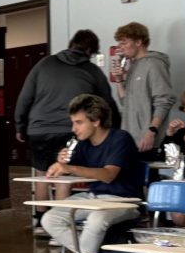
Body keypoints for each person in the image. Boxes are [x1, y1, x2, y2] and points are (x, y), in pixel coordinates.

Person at [40, 94, 144, 253]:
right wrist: (61, 163)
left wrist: (71, 168)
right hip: (93, 198)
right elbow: (69, 169)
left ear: (96, 121)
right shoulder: (82, 144)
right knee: (50, 219)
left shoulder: (120, 138)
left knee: (97, 219)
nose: (74, 129)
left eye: (79, 122)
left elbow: (108, 175)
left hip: (125, 200)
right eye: (73, 123)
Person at [14, 29, 120, 204]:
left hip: (38, 130)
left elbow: (25, 97)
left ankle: (41, 220)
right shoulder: (91, 70)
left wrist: (20, 126)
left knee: (42, 174)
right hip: (70, 129)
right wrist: (113, 130)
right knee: (64, 173)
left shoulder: (44, 63)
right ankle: (59, 217)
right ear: (90, 51)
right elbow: (107, 102)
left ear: (71, 45)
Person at [112, 21, 176, 153]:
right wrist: (119, 81)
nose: (120, 47)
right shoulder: (133, 66)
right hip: (130, 139)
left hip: (147, 141)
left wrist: (151, 131)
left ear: (138, 42)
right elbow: (126, 102)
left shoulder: (155, 64)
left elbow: (164, 101)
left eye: (124, 43)